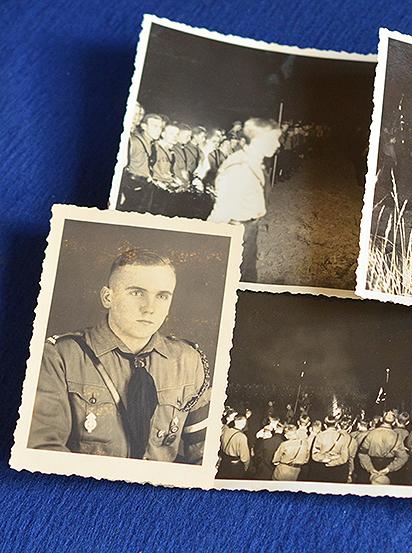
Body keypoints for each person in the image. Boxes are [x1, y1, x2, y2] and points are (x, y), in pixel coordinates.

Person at [28, 249, 211, 463]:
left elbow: (203, 457)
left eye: (162, 296)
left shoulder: (189, 361)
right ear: (108, 297)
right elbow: (42, 452)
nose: (149, 308)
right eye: (136, 292)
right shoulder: (60, 357)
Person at [207, 118, 283, 282]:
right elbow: (221, 211)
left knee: (247, 275)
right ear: (258, 140)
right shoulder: (240, 168)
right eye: (274, 139)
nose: (278, 144)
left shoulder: (253, 162)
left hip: (248, 228)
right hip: (237, 231)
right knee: (236, 280)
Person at [120, 111, 163, 212]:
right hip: (132, 186)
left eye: (160, 127)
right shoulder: (133, 141)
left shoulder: (153, 144)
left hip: (145, 186)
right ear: (144, 126)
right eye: (154, 126)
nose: (158, 130)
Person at [358, 411, 409, 484]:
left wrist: (370, 468)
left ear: (381, 419)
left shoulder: (371, 433)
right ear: (394, 422)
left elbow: (362, 453)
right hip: (388, 467)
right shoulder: (397, 437)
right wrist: (388, 469)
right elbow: (403, 457)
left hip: (371, 465)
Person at [309, 415, 353, 483]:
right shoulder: (343, 437)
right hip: (337, 471)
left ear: (325, 425)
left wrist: (326, 458)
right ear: (336, 424)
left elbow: (314, 456)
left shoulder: (319, 436)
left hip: (321, 470)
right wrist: (333, 460)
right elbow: (344, 458)